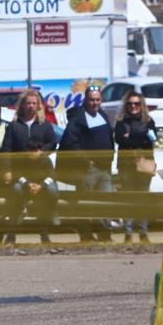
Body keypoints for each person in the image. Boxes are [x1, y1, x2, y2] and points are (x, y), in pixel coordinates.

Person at [0, 89, 59, 244]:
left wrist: (41, 152)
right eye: (28, 103)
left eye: (34, 103)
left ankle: (45, 231)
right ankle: (12, 234)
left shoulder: (45, 125)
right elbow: (6, 149)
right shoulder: (14, 126)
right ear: (22, 106)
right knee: (16, 193)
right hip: (20, 173)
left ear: (38, 106)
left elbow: (53, 143)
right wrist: (6, 170)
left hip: (42, 174)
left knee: (50, 192)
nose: (31, 106)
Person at [58, 83, 115, 242]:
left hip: (105, 169)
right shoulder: (78, 119)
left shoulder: (102, 115)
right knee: (88, 204)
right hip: (87, 171)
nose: (94, 103)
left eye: (97, 100)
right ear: (85, 101)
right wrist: (86, 160)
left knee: (106, 202)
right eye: (91, 100)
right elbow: (70, 142)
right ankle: (87, 235)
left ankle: (105, 234)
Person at [113, 92, 157, 244]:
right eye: (130, 104)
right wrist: (140, 137)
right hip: (126, 166)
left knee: (143, 199)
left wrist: (131, 138)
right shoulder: (121, 122)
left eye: (136, 103)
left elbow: (152, 140)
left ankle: (143, 232)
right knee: (128, 199)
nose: (133, 106)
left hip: (144, 165)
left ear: (141, 105)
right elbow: (120, 140)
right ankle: (128, 232)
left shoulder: (149, 121)